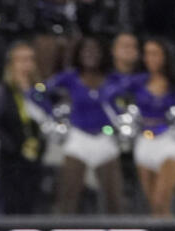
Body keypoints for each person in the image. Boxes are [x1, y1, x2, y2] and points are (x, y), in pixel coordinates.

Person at [104, 38, 175, 216]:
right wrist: (124, 118)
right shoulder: (138, 81)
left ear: (165, 57)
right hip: (144, 142)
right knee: (153, 206)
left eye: (155, 54)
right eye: (147, 54)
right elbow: (108, 96)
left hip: (169, 141)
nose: (150, 58)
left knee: (161, 201)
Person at [43, 36, 125, 215]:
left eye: (95, 50)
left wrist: (123, 117)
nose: (90, 54)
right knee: (67, 198)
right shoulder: (69, 77)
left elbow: (133, 95)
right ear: (78, 54)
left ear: (103, 54)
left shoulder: (113, 79)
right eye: (86, 50)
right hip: (78, 140)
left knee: (114, 200)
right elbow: (39, 92)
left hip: (105, 139)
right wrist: (53, 113)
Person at [0, 40, 47, 215]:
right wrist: (11, 145)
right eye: (20, 60)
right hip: (11, 157)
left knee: (32, 202)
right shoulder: (2, 91)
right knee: (12, 203)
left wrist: (41, 144)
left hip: (35, 155)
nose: (25, 65)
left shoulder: (39, 92)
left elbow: (46, 120)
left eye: (29, 60)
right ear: (11, 64)